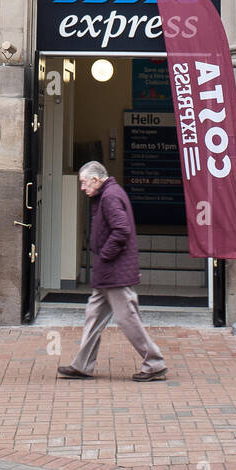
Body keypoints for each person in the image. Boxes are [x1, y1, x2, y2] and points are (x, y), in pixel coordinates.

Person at [57, 161, 168, 382]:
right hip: (108, 273)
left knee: (127, 318)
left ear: (96, 180)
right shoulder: (107, 194)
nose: (82, 188)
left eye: (84, 183)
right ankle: (82, 365)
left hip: (114, 272)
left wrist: (105, 255)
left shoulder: (109, 197)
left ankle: (154, 363)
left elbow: (121, 230)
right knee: (93, 317)